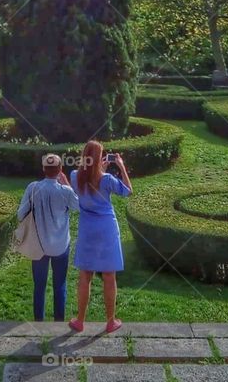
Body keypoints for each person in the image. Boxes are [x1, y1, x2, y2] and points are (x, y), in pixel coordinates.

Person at [69, 140, 132, 334]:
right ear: (99, 158)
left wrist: (100, 169)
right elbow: (128, 190)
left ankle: (79, 321)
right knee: (109, 275)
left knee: (85, 275)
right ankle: (111, 321)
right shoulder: (107, 179)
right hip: (106, 229)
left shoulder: (74, 176)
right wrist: (120, 166)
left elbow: (87, 181)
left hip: (87, 228)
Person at [16, 153, 79, 322]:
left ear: (44, 169)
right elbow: (78, 206)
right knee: (60, 285)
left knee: (39, 286)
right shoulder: (65, 191)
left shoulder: (33, 188)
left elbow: (20, 214)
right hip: (61, 246)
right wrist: (67, 184)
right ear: (60, 170)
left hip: (39, 245)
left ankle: (39, 322)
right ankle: (59, 322)